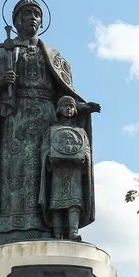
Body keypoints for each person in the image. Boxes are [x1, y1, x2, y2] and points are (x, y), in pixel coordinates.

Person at [0, 0, 100, 246]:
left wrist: (81, 109)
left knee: (48, 172)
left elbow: (64, 96)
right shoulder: (2, 53)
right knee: (16, 172)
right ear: (16, 20)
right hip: (15, 121)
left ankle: (54, 226)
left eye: (36, 14)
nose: (31, 18)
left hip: (47, 121)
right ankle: (10, 228)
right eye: (26, 14)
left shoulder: (55, 57)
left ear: (41, 21)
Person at [42, 95, 95, 241]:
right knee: (57, 204)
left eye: (71, 106)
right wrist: (49, 157)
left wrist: (84, 157)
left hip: (74, 172)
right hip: (58, 172)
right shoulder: (52, 130)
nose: (69, 109)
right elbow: (45, 149)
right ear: (59, 109)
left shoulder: (81, 132)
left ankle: (73, 232)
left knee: (74, 203)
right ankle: (57, 235)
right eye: (65, 106)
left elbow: (86, 149)